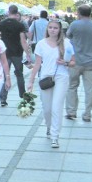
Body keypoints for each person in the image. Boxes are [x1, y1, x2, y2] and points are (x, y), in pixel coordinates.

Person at [27, 20, 75, 148]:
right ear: (47, 29)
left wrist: (64, 63)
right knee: (47, 108)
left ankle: (55, 136)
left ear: (60, 30)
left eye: (55, 28)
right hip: (46, 78)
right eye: (50, 27)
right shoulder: (41, 44)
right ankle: (49, 127)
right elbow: (37, 64)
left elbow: (73, 62)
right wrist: (31, 81)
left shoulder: (66, 43)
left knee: (56, 107)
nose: (52, 30)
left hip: (61, 77)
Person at [65, 4, 92, 122]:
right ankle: (87, 115)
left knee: (72, 87)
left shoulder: (74, 24)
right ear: (90, 13)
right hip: (91, 62)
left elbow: (68, 36)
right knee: (90, 90)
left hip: (75, 62)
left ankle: (71, 112)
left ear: (79, 13)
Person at [0, 5, 32, 106]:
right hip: (17, 53)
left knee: (5, 75)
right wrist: (28, 54)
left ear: (8, 12)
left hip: (5, 53)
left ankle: (3, 99)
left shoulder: (2, 24)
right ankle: (22, 95)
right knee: (19, 74)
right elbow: (23, 41)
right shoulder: (19, 25)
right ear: (17, 13)